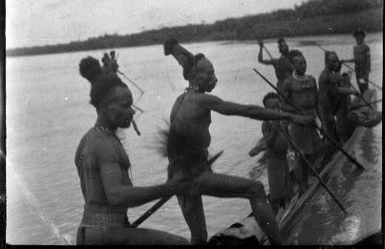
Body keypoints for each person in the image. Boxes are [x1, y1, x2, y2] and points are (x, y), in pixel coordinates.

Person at [166, 50, 314, 245]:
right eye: (209, 74)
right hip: (192, 175)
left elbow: (178, 146)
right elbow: (247, 110)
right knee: (256, 189)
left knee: (199, 237)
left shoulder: (179, 100)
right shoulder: (202, 100)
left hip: (176, 176)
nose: (214, 78)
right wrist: (292, 117)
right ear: (195, 76)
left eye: (214, 72)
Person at [75, 56, 190, 245]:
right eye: (124, 106)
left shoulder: (88, 139)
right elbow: (116, 195)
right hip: (105, 235)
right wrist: (169, 187)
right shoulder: (105, 144)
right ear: (104, 107)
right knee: (182, 244)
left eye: (131, 105)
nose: (132, 111)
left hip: (90, 232)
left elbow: (100, 199)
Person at [281, 50, 326, 194]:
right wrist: (297, 112)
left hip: (311, 121)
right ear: (293, 65)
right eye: (299, 63)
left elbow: (317, 103)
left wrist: (322, 123)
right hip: (298, 123)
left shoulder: (311, 80)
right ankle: (302, 186)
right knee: (302, 155)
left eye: (305, 62)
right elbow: (283, 105)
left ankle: (307, 178)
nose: (303, 65)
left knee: (315, 152)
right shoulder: (288, 83)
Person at [318, 51, 360, 140]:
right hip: (327, 109)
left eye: (336, 61)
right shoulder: (325, 76)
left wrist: (350, 91)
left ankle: (340, 138)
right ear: (326, 62)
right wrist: (352, 91)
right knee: (330, 132)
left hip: (333, 107)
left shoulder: (331, 74)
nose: (336, 63)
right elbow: (332, 93)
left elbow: (336, 89)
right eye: (333, 61)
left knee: (335, 130)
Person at [261, 92, 291, 214]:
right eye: (272, 108)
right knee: (275, 189)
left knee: (285, 184)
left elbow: (288, 136)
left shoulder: (282, 121)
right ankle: (274, 211)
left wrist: (293, 148)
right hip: (274, 159)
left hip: (283, 157)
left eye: (278, 107)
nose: (276, 110)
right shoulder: (266, 124)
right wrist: (274, 128)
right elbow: (268, 142)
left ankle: (286, 208)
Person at [340, 29, 371, 94]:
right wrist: (345, 61)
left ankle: (367, 96)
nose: (358, 38)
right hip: (358, 71)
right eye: (357, 37)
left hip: (363, 71)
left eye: (360, 36)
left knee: (364, 85)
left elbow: (368, 60)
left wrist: (367, 72)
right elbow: (356, 59)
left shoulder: (366, 47)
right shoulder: (355, 48)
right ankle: (363, 96)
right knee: (359, 84)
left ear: (363, 37)